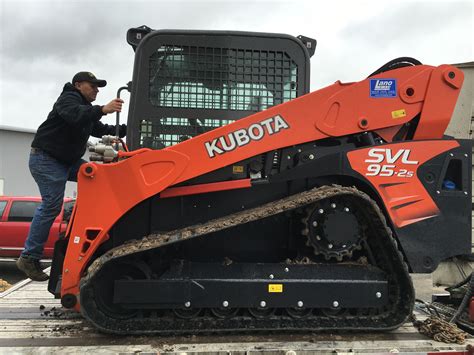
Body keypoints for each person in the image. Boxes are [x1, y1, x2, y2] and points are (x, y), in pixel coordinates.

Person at [16, 71, 127, 281]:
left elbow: (101, 128)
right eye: (92, 85)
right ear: (78, 85)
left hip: (67, 161)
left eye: (98, 87)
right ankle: (28, 257)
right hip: (46, 159)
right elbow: (76, 115)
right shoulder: (68, 99)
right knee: (51, 204)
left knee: (100, 180)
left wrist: (131, 127)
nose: (96, 90)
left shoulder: (85, 109)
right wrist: (103, 109)